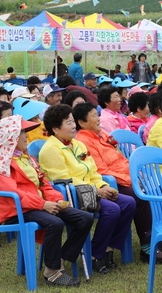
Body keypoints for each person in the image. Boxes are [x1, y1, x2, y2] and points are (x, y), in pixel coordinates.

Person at [0, 115, 93, 287]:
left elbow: (44, 184)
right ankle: (51, 272)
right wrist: (43, 204)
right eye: (22, 132)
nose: (26, 135)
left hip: (37, 206)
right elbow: (14, 193)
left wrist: (56, 200)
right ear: (10, 137)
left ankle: (59, 261)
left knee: (84, 218)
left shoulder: (26, 157)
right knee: (55, 223)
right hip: (16, 210)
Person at [38, 104, 135, 273]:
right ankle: (95, 255)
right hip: (72, 195)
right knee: (112, 209)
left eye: (72, 121)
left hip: (91, 191)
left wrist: (104, 186)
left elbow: (93, 171)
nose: (73, 125)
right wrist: (96, 190)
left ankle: (107, 247)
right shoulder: (50, 150)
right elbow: (62, 180)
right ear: (55, 129)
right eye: (68, 123)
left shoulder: (77, 144)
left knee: (128, 203)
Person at [72, 103, 162, 264]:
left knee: (155, 190)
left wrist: (136, 176)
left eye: (98, 114)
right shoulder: (84, 141)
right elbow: (102, 171)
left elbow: (121, 160)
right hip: (110, 182)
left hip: (124, 178)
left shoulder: (101, 134)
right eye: (94, 115)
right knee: (139, 197)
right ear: (82, 123)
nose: (98, 118)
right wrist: (131, 181)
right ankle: (147, 245)